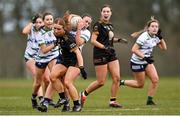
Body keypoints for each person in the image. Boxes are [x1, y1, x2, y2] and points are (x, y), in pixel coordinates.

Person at [37, 17, 87, 112]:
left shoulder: (68, 39)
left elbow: (78, 53)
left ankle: (77, 105)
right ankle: (63, 98)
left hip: (74, 62)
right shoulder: (57, 34)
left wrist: (82, 68)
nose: (56, 30)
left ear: (64, 29)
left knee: (67, 82)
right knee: (52, 76)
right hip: (64, 60)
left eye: (58, 29)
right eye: (54, 28)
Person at [80, 4, 123, 108]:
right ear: (101, 13)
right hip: (100, 54)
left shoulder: (110, 25)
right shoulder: (97, 25)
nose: (106, 13)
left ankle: (112, 101)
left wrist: (118, 40)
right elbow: (93, 41)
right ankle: (84, 94)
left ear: (110, 13)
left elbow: (108, 39)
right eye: (104, 11)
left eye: (108, 11)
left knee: (117, 78)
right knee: (101, 82)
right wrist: (104, 47)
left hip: (111, 53)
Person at [120, 17, 167, 105]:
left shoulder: (156, 37)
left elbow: (164, 48)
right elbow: (134, 49)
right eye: (152, 26)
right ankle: (121, 82)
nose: (154, 28)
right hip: (137, 62)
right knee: (140, 85)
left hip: (147, 61)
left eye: (156, 27)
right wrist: (145, 57)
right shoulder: (144, 37)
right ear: (148, 28)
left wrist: (161, 38)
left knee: (155, 80)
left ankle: (149, 100)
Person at [31, 12, 59, 109]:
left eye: (51, 19)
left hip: (53, 56)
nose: (49, 21)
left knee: (54, 77)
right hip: (41, 58)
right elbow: (44, 50)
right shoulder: (39, 34)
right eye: (47, 19)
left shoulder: (56, 29)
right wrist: (55, 44)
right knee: (38, 83)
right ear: (43, 21)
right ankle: (34, 97)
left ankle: (47, 99)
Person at [22, 14, 51, 108]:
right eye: (37, 22)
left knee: (47, 79)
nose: (38, 24)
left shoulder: (46, 31)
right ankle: (41, 99)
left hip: (42, 58)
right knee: (38, 77)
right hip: (30, 57)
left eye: (40, 22)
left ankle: (44, 98)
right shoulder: (32, 29)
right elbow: (24, 31)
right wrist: (32, 23)